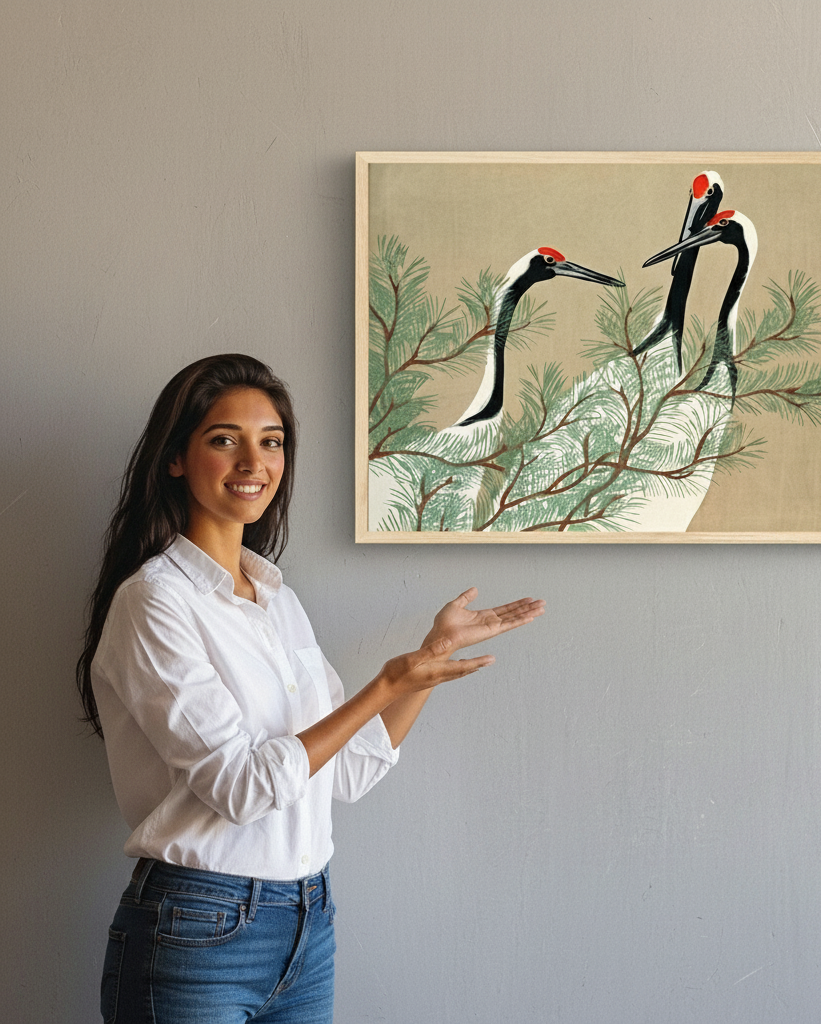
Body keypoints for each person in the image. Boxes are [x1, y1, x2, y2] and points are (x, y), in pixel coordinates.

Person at [77, 353, 543, 1023]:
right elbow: (240, 788)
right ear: (175, 458)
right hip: (197, 929)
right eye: (223, 439)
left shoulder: (276, 599)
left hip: (307, 922)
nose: (253, 462)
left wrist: (426, 664)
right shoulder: (154, 603)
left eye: (271, 442)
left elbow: (347, 771)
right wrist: (384, 684)